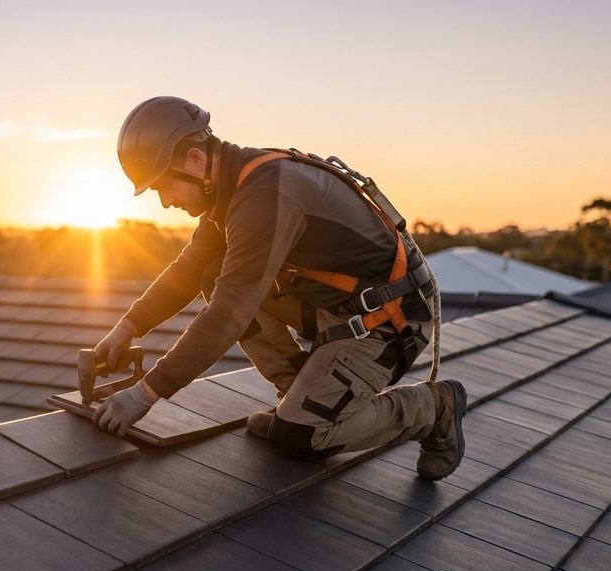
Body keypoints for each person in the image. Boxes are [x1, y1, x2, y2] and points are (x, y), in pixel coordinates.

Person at [91, 96, 465, 480]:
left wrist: (145, 394)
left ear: (194, 160)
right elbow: (189, 269)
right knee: (210, 272)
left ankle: (433, 408)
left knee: (300, 437)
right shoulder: (233, 187)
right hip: (343, 309)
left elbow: (227, 315)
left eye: (162, 187)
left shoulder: (265, 195)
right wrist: (129, 326)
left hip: (390, 321)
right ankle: (297, 392)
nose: (165, 202)